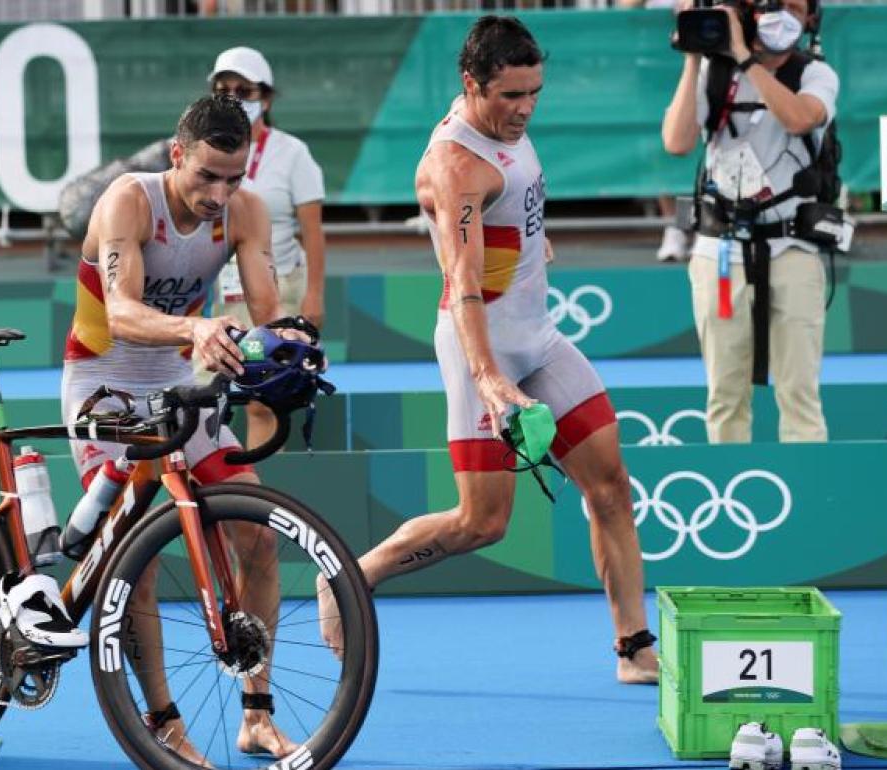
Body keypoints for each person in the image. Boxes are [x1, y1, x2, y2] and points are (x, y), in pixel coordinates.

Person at [316, 15, 659, 685]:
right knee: (483, 523)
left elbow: (516, 205)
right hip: (484, 348)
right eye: (509, 96)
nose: (525, 108)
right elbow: (464, 283)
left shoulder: (503, 127)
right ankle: (351, 576)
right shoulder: (454, 168)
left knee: (611, 487)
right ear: (472, 85)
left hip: (538, 334)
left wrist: (534, 244)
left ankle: (633, 647)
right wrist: (490, 378)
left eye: (535, 92)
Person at [61, 94, 296, 761]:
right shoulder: (128, 202)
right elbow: (125, 312)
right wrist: (197, 327)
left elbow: (266, 315)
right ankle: (164, 721)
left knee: (256, 536)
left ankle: (257, 713)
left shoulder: (245, 212)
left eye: (234, 177)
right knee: (133, 560)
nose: (220, 194)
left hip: (179, 385)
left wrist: (290, 347)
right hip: (103, 382)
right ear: (176, 156)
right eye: (207, 177)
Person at [661, 0, 836, 443]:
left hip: (793, 247)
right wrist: (693, 57)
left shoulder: (815, 74)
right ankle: (729, 489)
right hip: (719, 250)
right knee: (725, 395)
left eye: (792, 6)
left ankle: (806, 489)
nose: (778, 14)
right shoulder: (714, 74)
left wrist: (746, 58)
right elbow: (677, 142)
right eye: (767, 4)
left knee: (800, 394)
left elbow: (800, 118)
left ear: (810, 19)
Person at [207, 47, 327, 449]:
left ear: (266, 97)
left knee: (262, 399)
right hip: (225, 289)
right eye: (223, 90)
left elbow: (313, 231)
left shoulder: (293, 153)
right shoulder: (201, 152)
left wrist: (314, 295)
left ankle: (255, 497)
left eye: (245, 90)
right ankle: (212, 498)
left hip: (281, 288)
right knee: (206, 393)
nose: (234, 98)